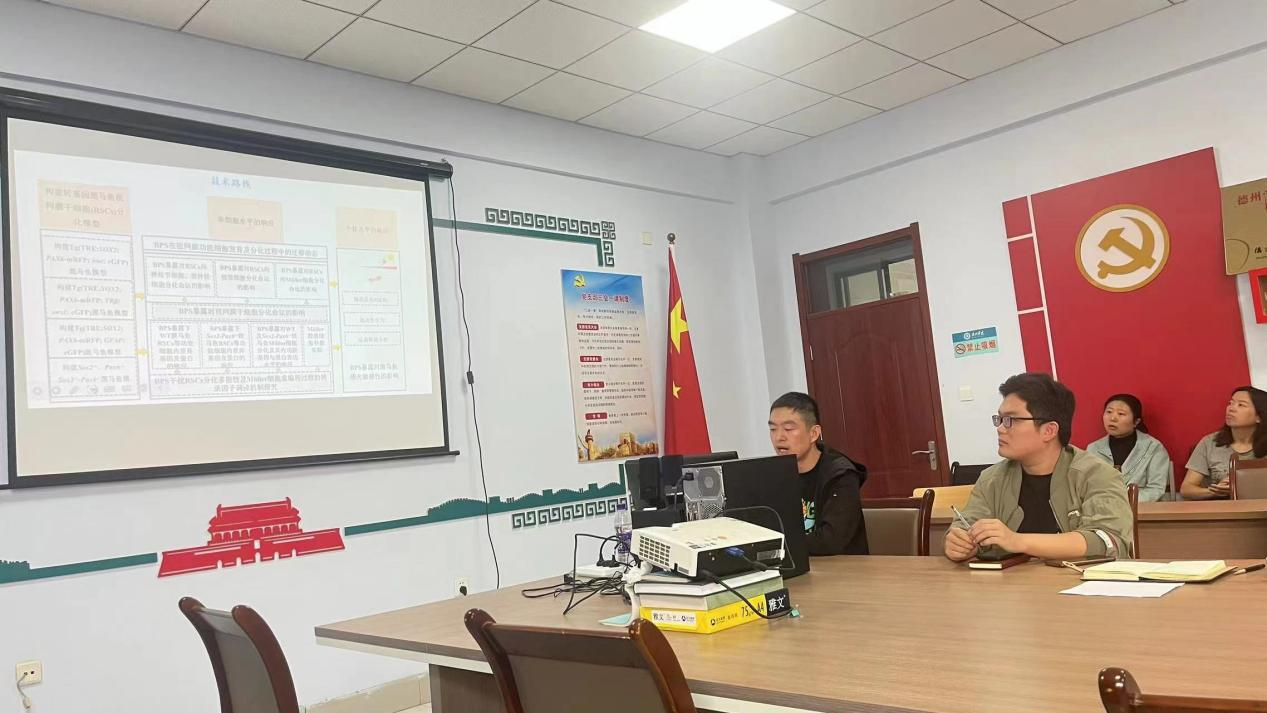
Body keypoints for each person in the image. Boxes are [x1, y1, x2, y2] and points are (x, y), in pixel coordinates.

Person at [944, 373, 1134, 562]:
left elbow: (1107, 540)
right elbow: (965, 524)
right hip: (1011, 581)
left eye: (1011, 420)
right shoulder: (992, 478)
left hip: (1079, 580)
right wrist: (958, 542)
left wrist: (1018, 541)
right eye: (999, 419)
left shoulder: (1097, 475)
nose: (1000, 428)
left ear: (1049, 430)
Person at [768, 392, 868, 555]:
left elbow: (831, 541)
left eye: (788, 429)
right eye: (773, 429)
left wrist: (774, 546)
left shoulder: (841, 475)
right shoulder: (775, 475)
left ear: (814, 433)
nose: (779, 437)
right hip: (797, 563)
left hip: (842, 566)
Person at [1179, 386, 1267, 500]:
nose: (1231, 409)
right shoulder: (1210, 442)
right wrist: (1214, 491)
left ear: (1259, 417)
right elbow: (1186, 489)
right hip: (1219, 508)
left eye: (1241, 405)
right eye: (1230, 403)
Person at [1086, 394, 1172, 502]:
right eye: (1109, 412)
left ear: (1136, 422)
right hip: (1103, 508)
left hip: (1142, 507)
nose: (1113, 418)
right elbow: (1088, 487)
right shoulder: (1093, 449)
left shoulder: (1153, 448)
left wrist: (1123, 501)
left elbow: (1156, 489)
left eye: (1121, 414)